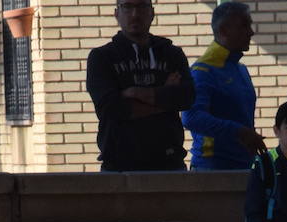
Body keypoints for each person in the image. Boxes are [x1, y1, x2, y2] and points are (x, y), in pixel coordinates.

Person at [86, 0, 195, 171]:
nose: (135, 14)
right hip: (119, 164)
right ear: (117, 14)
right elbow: (109, 109)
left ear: (152, 13)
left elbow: (186, 97)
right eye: (128, 7)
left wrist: (134, 93)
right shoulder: (102, 57)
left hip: (169, 162)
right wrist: (163, 95)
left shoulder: (171, 53)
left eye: (142, 6)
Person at [185, 1, 263, 171]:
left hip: (244, 166)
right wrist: (240, 132)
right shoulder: (202, 70)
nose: (251, 32)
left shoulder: (241, 69)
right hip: (212, 169)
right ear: (223, 31)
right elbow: (191, 117)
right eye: (244, 25)